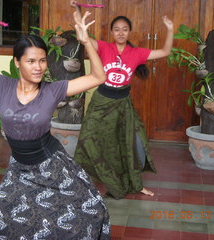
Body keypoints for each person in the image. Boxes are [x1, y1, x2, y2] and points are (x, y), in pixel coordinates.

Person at [0, 8, 110, 239]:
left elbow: (98, 77)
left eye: (42, 60)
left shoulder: (53, 90)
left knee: (90, 210)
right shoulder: (2, 85)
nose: (38, 67)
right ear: (17, 62)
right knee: (3, 223)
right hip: (19, 168)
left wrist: (86, 42)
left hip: (51, 166)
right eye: (31, 61)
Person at [72, 3, 174, 199]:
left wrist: (170, 29)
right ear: (111, 32)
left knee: (128, 143)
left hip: (122, 104)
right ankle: (83, 178)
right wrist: (76, 8)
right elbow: (82, 36)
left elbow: (165, 52)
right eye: (116, 29)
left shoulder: (137, 53)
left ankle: (134, 183)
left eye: (124, 29)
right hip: (101, 101)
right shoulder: (103, 46)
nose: (120, 33)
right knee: (87, 138)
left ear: (129, 32)